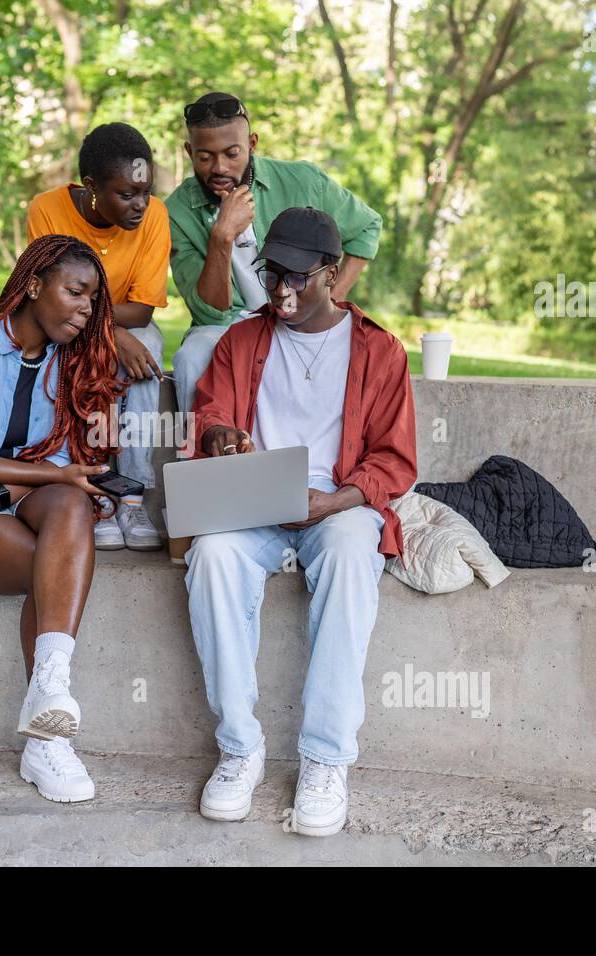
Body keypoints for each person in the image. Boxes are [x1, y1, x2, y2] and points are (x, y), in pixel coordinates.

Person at [183, 207, 417, 836]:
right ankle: (239, 748)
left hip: (335, 503)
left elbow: (394, 464)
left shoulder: (380, 350)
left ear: (333, 274)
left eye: (298, 278)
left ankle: (325, 759)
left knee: (348, 554)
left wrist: (333, 502)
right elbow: (209, 417)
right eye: (273, 274)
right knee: (211, 555)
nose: (281, 290)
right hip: (256, 499)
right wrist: (219, 437)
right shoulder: (242, 340)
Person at [0, 234, 126, 804]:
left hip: (15, 499)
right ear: (33, 285)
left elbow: (59, 462)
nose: (86, 309)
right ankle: (46, 738)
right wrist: (45, 480)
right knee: (50, 568)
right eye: (75, 293)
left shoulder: (67, 361)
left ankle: (48, 693)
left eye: (92, 300)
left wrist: (11, 490)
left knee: (74, 502)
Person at [167, 92, 383, 422]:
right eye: (205, 157)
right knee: (192, 357)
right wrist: (222, 236)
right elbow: (210, 311)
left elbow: (367, 228)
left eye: (232, 153)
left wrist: (325, 303)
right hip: (226, 325)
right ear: (189, 152)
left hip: (298, 316)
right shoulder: (176, 212)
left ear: (252, 143)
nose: (220, 167)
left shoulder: (304, 182)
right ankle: (197, 467)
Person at [28, 122, 169, 551]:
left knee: (150, 344)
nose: (141, 205)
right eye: (126, 195)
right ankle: (95, 490)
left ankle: (131, 494)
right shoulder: (47, 210)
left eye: (145, 192)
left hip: (119, 321)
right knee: (93, 345)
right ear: (92, 186)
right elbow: (51, 303)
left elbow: (142, 310)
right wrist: (111, 332)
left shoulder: (156, 216)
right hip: (62, 326)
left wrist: (108, 329)